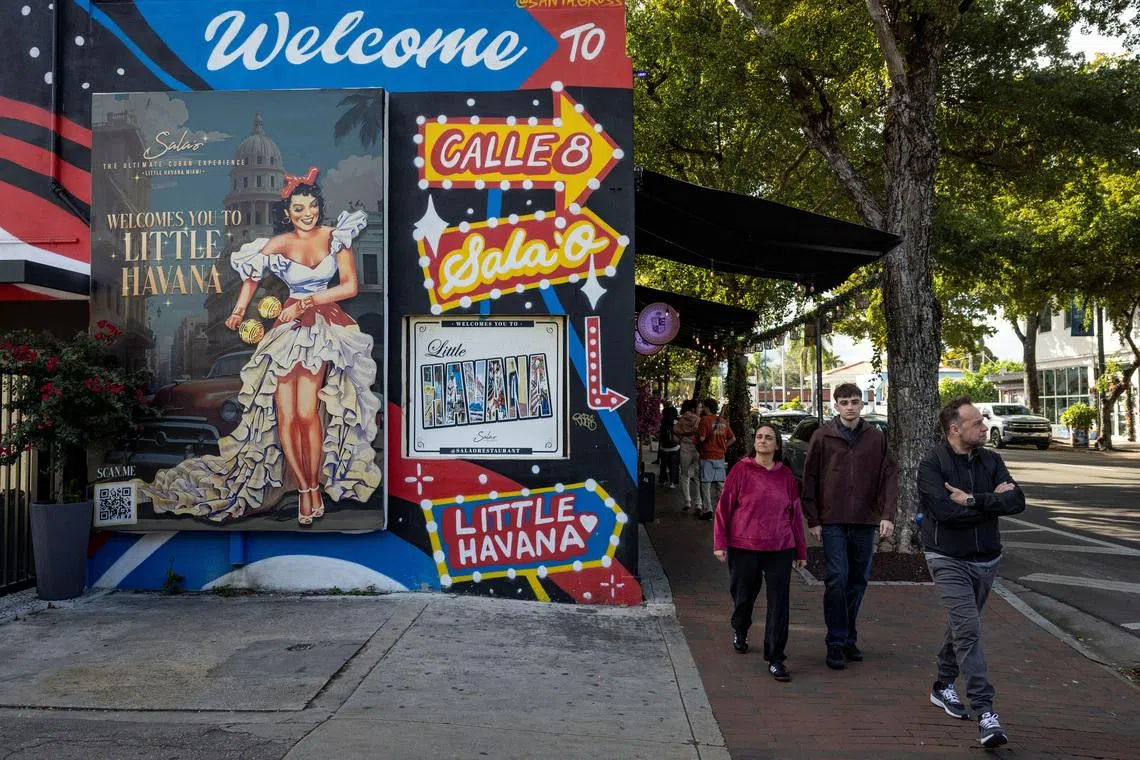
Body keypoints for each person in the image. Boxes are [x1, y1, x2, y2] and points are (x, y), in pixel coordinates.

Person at [138, 167, 382, 525]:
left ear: (319, 206)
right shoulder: (277, 245)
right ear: (287, 213)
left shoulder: (336, 237)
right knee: (286, 415)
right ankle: (302, 490)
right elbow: (250, 279)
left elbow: (349, 287)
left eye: (311, 206)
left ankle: (313, 487)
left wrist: (310, 301)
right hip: (287, 329)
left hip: (321, 328)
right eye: (298, 209)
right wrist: (237, 311)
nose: (306, 213)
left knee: (307, 413)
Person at [918, 396, 1025, 748]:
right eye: (977, 422)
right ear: (955, 429)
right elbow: (945, 514)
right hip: (946, 556)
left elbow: (1017, 501)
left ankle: (942, 685)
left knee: (963, 627)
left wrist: (974, 500)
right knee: (969, 630)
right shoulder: (932, 464)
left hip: (987, 559)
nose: (983, 426)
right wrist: (991, 503)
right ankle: (986, 714)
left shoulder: (991, 459)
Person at [801, 383, 897, 670]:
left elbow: (888, 476)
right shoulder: (822, 436)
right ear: (836, 405)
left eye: (855, 401)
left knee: (858, 580)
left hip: (865, 520)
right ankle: (836, 641)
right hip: (832, 521)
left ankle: (848, 637)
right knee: (837, 579)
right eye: (844, 402)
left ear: (862, 403)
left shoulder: (875, 437)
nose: (850, 407)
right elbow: (810, 479)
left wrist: (887, 514)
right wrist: (813, 519)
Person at [713, 424, 807, 681]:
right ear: (754, 442)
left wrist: (801, 549)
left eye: (769, 438)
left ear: (778, 445)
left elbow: (795, 514)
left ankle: (776, 657)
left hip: (780, 547)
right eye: (759, 437)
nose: (763, 441)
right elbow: (724, 508)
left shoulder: (786, 475)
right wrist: (719, 542)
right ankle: (740, 628)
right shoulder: (741, 470)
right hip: (744, 547)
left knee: (779, 603)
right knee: (743, 597)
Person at [696, 398, 735, 521]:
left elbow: (702, 439)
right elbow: (733, 438)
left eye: (703, 407)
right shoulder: (723, 421)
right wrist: (723, 448)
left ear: (707, 408)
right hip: (719, 457)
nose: (702, 409)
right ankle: (723, 511)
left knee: (706, 484)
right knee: (720, 484)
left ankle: (707, 511)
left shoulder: (704, 420)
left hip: (707, 456)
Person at [673, 400, 702, 511]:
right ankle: (698, 503)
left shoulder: (682, 419)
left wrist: (683, 436)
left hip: (685, 447)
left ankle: (687, 501)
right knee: (698, 476)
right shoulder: (699, 420)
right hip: (697, 448)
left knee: (685, 474)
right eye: (699, 408)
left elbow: (675, 430)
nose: (701, 410)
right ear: (694, 409)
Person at [658, 401, 680, 489]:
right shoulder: (675, 421)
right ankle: (672, 482)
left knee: (663, 465)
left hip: (664, 447)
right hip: (675, 446)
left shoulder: (662, 421)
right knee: (673, 465)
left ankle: (662, 481)